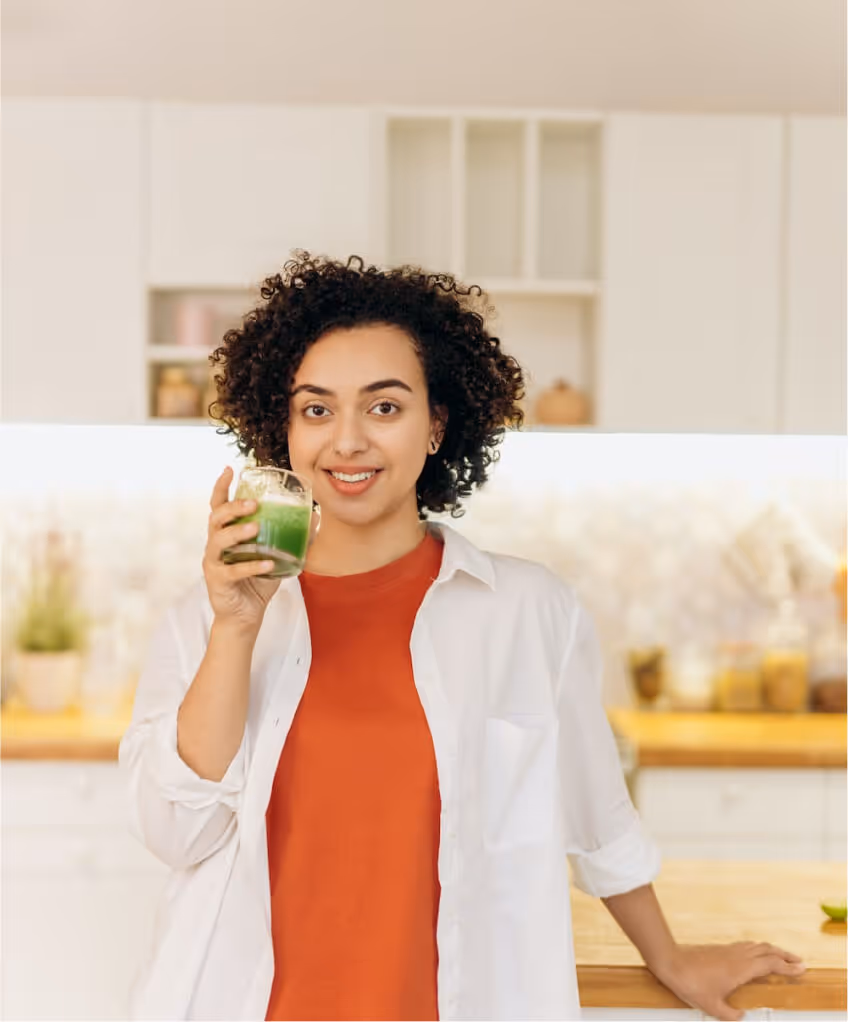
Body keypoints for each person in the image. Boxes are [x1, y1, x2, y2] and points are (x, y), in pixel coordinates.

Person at [119, 252, 805, 1022]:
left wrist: (668, 956)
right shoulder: (207, 617)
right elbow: (176, 833)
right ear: (283, 429)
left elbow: (595, 809)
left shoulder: (527, 611)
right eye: (316, 409)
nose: (346, 441)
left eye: (384, 407)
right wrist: (235, 629)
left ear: (438, 423)